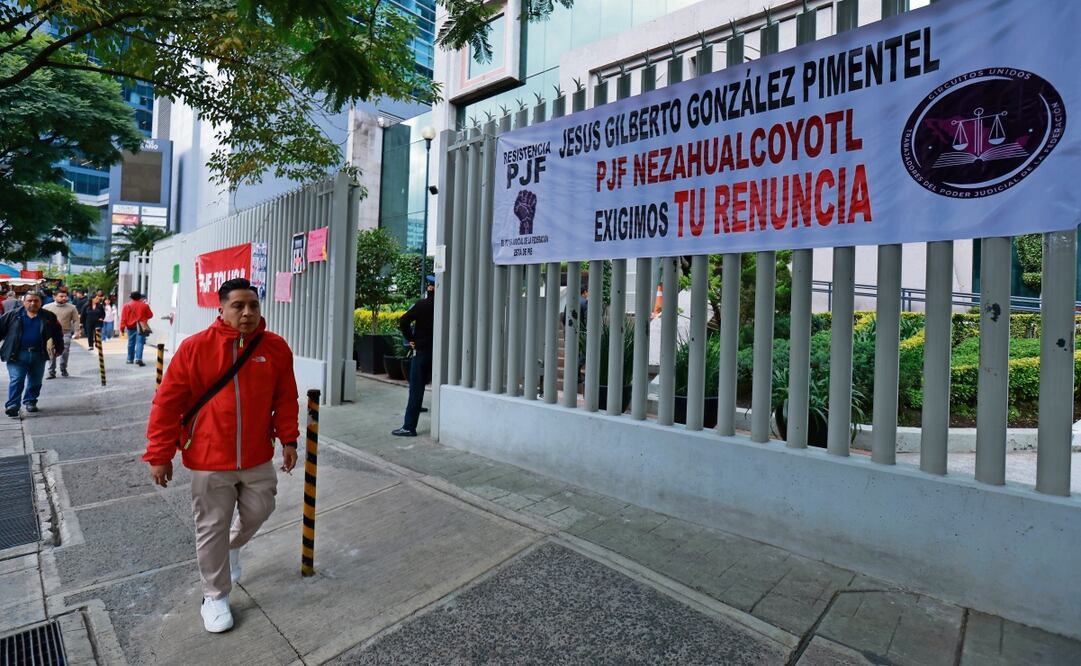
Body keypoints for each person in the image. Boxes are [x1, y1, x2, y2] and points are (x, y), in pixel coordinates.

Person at [143, 278, 299, 633]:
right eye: (238, 306)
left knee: (261, 510)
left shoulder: (275, 347)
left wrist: (288, 438)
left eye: (253, 305)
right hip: (209, 456)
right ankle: (214, 596)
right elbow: (167, 404)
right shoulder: (195, 348)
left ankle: (232, 546)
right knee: (211, 526)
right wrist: (159, 454)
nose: (247, 313)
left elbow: (285, 397)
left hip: (257, 455)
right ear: (221, 309)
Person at [0, 291, 65, 417]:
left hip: (39, 354)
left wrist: (59, 348)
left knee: (35, 380)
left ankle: (30, 401)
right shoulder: (13, 315)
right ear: (23, 302)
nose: (33, 303)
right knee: (17, 379)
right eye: (29, 301)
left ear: (41, 302)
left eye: (36, 301)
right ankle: (12, 405)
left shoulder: (48, 316)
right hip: (16, 354)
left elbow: (57, 333)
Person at [392, 275, 435, 437]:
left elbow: (403, 321)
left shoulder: (422, 304)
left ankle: (409, 426)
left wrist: (411, 339)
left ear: (430, 288)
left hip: (422, 351)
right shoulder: (446, 305)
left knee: (416, 388)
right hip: (440, 353)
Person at [43, 288, 80, 379]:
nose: (64, 298)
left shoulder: (72, 307)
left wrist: (77, 331)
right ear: (54, 297)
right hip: (50, 334)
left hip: (65, 333)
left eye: (65, 296)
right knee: (51, 352)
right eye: (61, 296)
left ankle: (63, 368)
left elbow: (76, 320)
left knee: (64, 351)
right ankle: (51, 371)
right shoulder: (46, 307)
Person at [120, 291, 153, 366]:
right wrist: (143, 318)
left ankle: (129, 359)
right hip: (141, 327)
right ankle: (138, 358)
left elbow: (123, 318)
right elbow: (150, 315)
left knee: (131, 343)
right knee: (140, 342)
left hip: (130, 327)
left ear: (131, 297)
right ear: (140, 297)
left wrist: (122, 329)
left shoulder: (126, 306)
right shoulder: (145, 305)